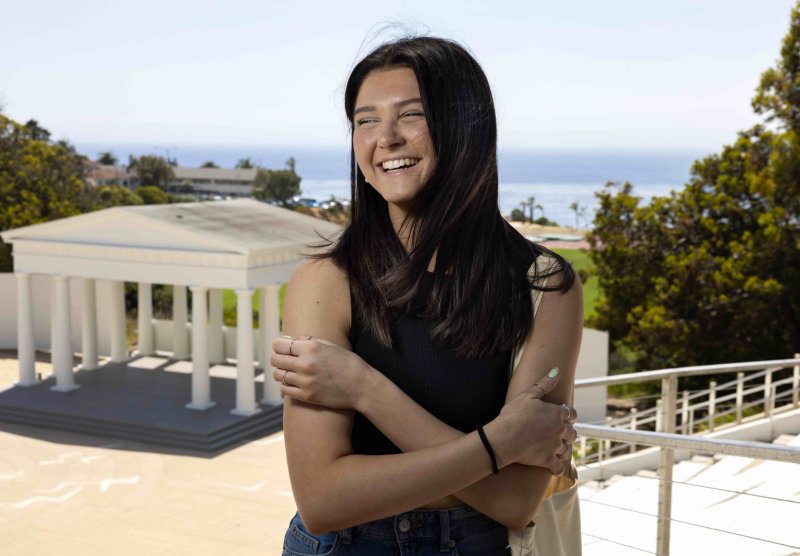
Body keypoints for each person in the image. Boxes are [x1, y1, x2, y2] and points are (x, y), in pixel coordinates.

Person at [269, 36, 583, 555]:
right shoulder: (326, 280)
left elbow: (513, 502)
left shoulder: (544, 286)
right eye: (365, 120)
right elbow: (323, 499)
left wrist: (365, 388)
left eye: (410, 115)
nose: (385, 139)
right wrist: (498, 444)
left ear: (466, 130)